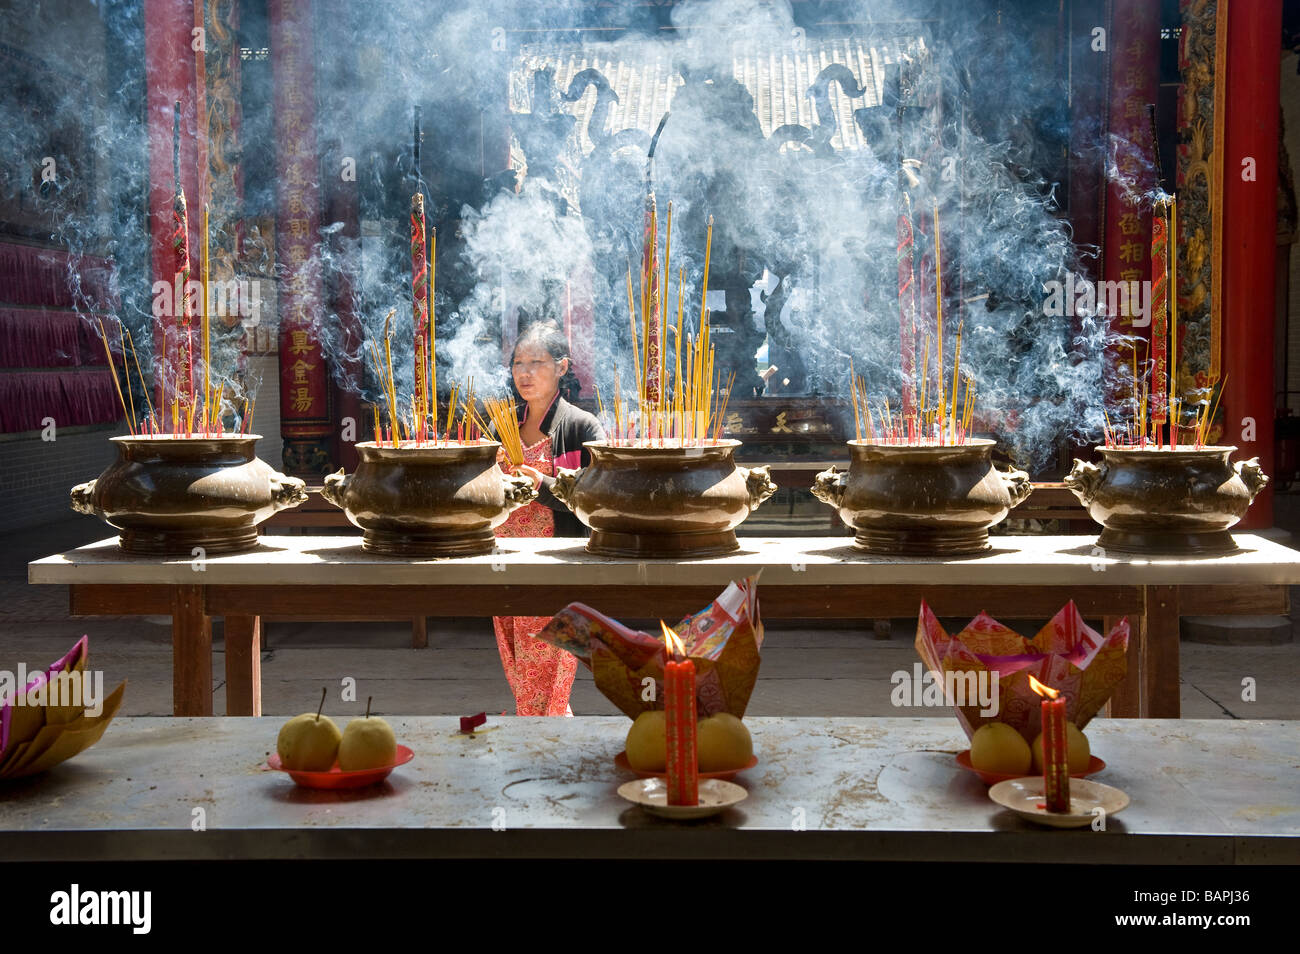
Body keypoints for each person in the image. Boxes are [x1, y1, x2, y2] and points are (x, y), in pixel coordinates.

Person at [490, 321, 605, 715]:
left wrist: (541, 484)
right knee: (520, 670)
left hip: (555, 565)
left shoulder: (580, 427)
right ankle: (546, 745)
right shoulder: (501, 426)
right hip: (505, 562)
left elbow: (596, 497)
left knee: (549, 670)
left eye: (536, 362)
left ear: (561, 367)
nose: (524, 372)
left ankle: (542, 746)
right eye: (518, 363)